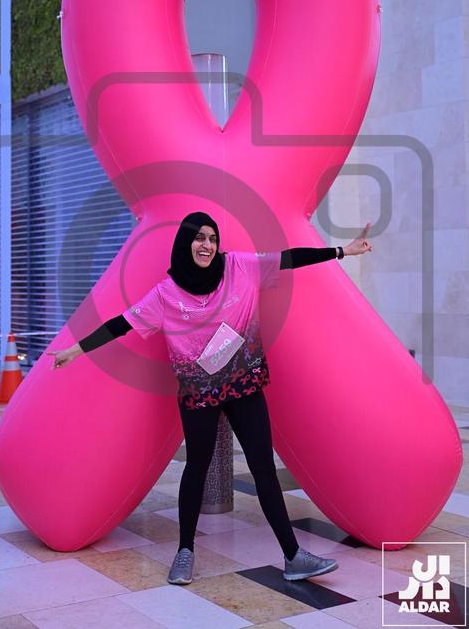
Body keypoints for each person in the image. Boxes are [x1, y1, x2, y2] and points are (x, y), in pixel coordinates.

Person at [48, 212, 373, 585]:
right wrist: (74, 350)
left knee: (263, 467)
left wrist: (343, 251)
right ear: (186, 242)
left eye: (213, 238)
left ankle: (293, 556)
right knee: (197, 467)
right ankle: (185, 552)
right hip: (198, 392)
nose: (207, 245)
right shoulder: (166, 294)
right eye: (199, 237)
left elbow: (288, 258)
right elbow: (121, 324)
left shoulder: (239, 266)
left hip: (243, 383)